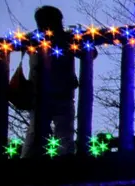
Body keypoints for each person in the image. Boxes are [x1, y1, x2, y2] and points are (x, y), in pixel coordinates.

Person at [21, 6, 81, 157]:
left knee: (43, 131)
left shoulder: (35, 39)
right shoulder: (36, 40)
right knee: (55, 132)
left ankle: (31, 160)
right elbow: (91, 53)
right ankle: (48, 160)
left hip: (52, 95)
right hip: (47, 95)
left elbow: (91, 53)